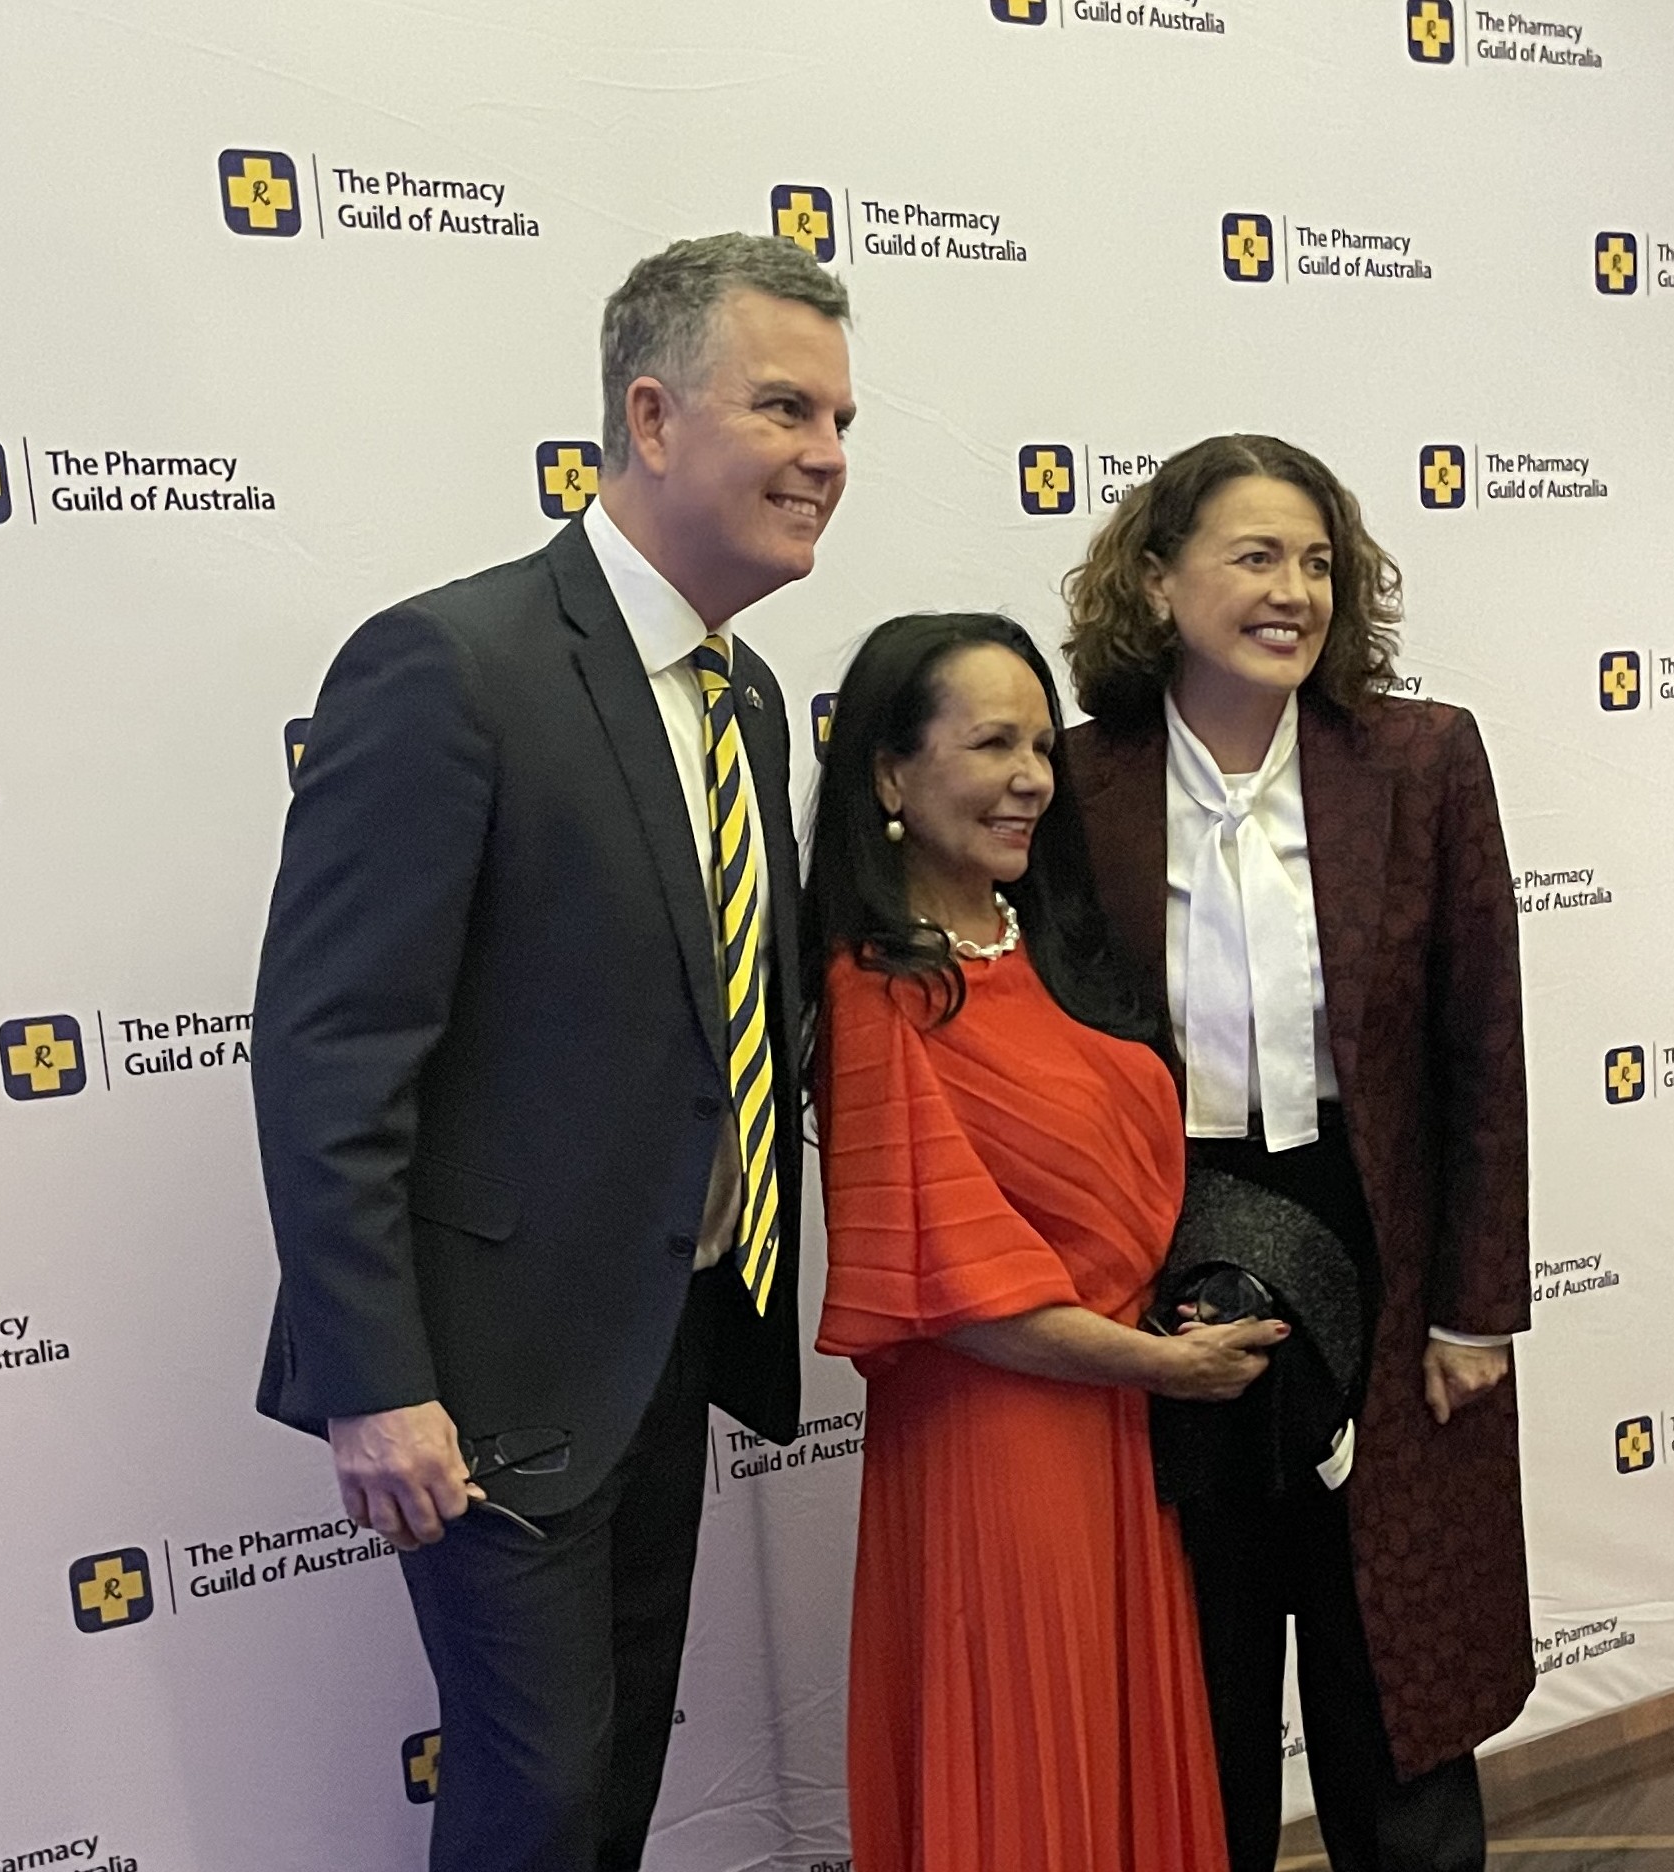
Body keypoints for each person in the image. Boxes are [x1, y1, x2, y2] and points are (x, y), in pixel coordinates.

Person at [249, 233, 856, 1872]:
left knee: (608, 1795)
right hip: (489, 1373)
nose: (827, 458)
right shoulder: (451, 666)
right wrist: (375, 1380)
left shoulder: (739, 694)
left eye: (843, 422)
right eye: (786, 408)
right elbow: (328, 1054)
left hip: (664, 1340)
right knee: (537, 1805)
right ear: (650, 419)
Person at [1060, 434, 1534, 1872]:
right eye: (1256, 556)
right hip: (1165, 1262)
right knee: (1194, 1698)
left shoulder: (1421, 757)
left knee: (1393, 1687)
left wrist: (1476, 1306)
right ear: (1157, 578)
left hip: (1379, 1247)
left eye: (1318, 561)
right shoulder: (1082, 783)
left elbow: (1482, 1049)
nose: (1295, 591)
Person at [805, 612, 1284, 1872]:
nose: (1030, 776)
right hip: (995, 1458)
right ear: (889, 776)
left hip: (1119, 1434)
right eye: (989, 745)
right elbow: (951, 1295)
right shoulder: (874, 988)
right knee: (1026, 1786)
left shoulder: (1053, 946)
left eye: (1038, 745)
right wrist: (1162, 1369)